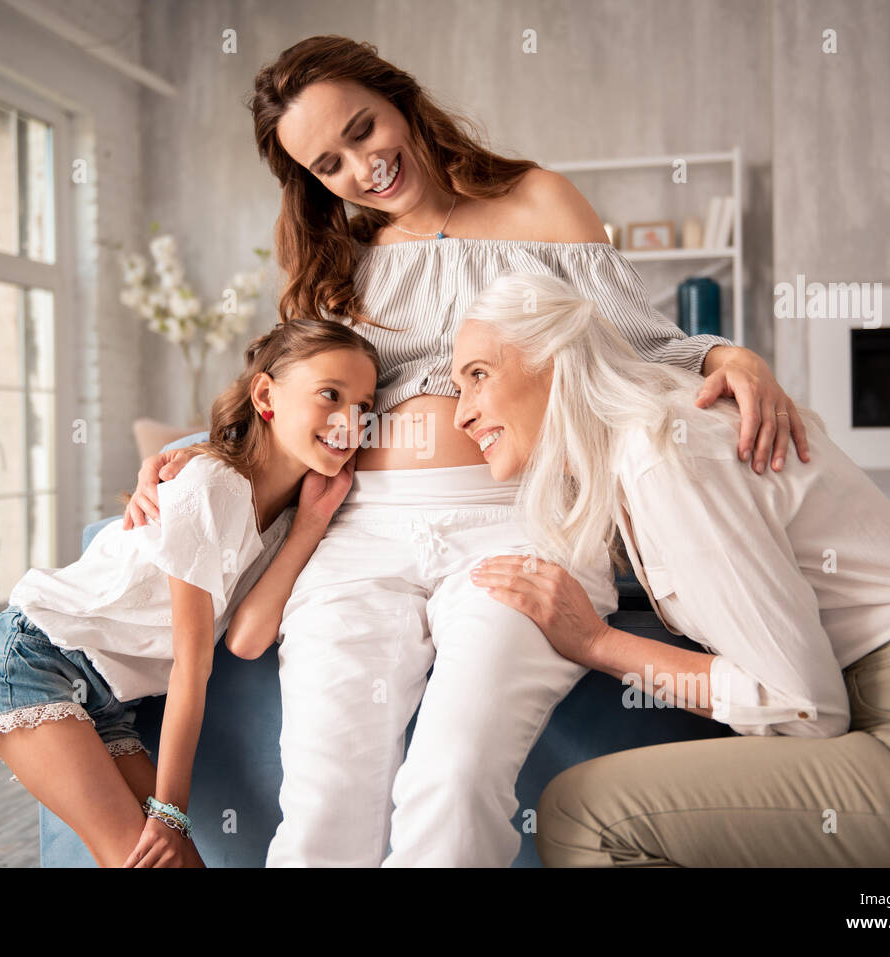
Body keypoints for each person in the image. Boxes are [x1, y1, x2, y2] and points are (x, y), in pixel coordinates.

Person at [125, 35, 811, 867]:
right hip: (359, 532)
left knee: (449, 783)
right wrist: (193, 454)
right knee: (322, 802)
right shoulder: (337, 259)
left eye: (363, 128)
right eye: (329, 165)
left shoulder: (540, 202)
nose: (361, 168)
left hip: (516, 526)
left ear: (401, 97)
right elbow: (293, 407)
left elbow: (640, 345)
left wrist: (727, 356)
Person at [454, 271, 890, 866]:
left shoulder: (662, 452)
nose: (459, 417)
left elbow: (803, 710)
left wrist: (596, 642)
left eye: (478, 376)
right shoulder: (641, 456)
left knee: (585, 814)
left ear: (554, 358)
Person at [0, 319, 379, 867]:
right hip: (36, 659)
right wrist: (170, 811)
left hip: (106, 702)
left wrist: (310, 525)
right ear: (266, 396)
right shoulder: (210, 486)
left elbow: (247, 641)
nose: (350, 420)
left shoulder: (287, 518)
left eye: (364, 406)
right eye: (330, 394)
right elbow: (190, 666)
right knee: (147, 858)